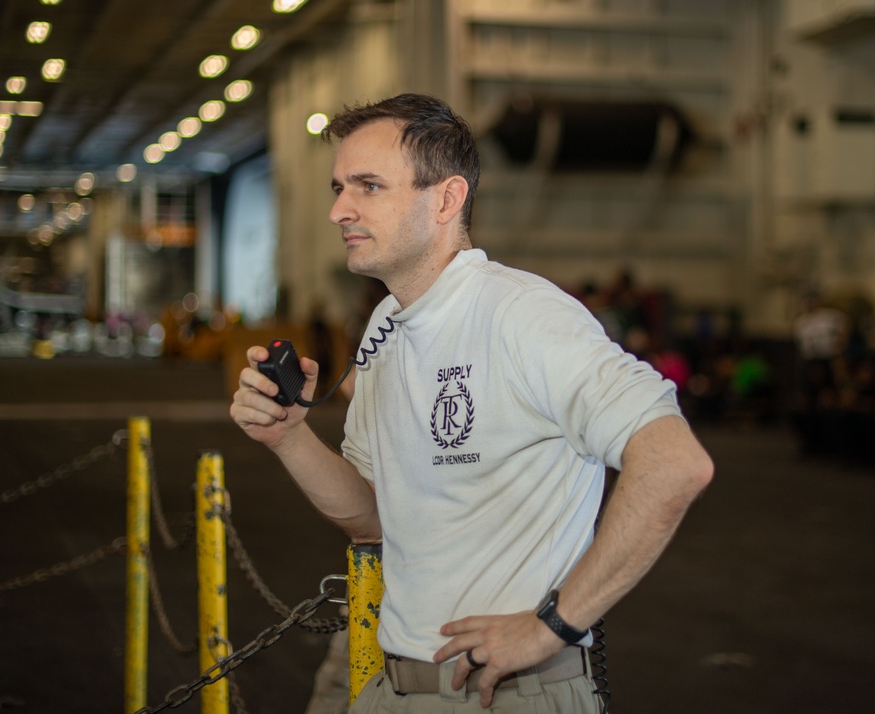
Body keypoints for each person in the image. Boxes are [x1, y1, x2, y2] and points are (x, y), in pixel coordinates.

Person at [230, 93, 713, 712]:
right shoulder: (389, 328)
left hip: (504, 693)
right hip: (397, 685)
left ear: (446, 199)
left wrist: (554, 625)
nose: (339, 210)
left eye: (369, 186)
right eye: (338, 187)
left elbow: (675, 461)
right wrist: (289, 436)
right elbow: (373, 519)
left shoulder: (522, 314)